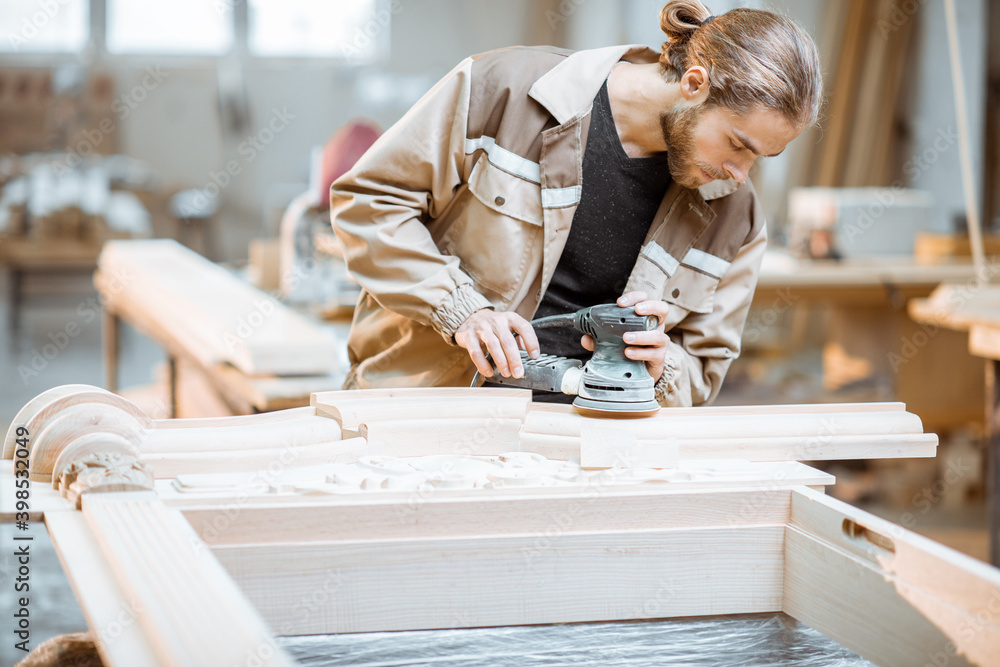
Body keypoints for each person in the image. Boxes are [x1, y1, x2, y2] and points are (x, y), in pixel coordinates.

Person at [331, 0, 823, 407]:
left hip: (591, 453)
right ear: (695, 84)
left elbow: (701, 372)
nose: (741, 175)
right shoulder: (506, 90)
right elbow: (369, 201)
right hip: (424, 416)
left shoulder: (736, 213)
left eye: (763, 157)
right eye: (738, 144)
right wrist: (459, 309)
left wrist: (662, 366)